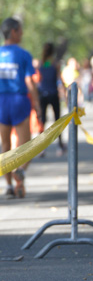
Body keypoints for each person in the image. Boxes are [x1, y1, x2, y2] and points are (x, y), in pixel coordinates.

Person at [0, 17, 42, 199]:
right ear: (14, 32)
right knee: (26, 146)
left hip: (1, 101)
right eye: (21, 30)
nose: (22, 34)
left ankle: (9, 185)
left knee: (5, 145)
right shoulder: (24, 55)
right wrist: (38, 105)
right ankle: (21, 172)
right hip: (19, 101)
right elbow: (29, 81)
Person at [37, 42, 66, 156]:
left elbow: (39, 79)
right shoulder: (55, 63)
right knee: (57, 120)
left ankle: (41, 148)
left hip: (43, 94)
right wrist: (64, 92)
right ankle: (59, 145)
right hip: (53, 93)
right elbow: (59, 79)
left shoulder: (41, 63)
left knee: (42, 120)